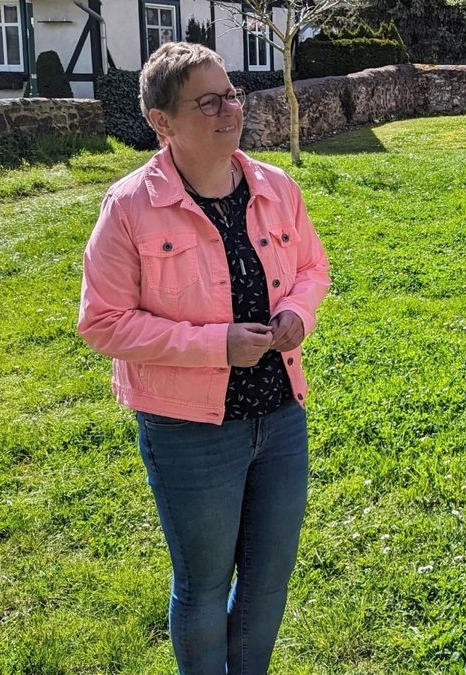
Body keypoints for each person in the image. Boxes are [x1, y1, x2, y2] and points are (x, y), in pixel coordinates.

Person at [77, 42, 330, 674]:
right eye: (208, 101)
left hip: (279, 417)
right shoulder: (130, 205)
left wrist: (299, 311)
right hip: (188, 430)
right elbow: (102, 322)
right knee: (204, 586)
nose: (230, 110)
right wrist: (213, 346)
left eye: (232, 94)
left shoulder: (276, 187)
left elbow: (310, 267)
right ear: (161, 122)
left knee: (268, 583)